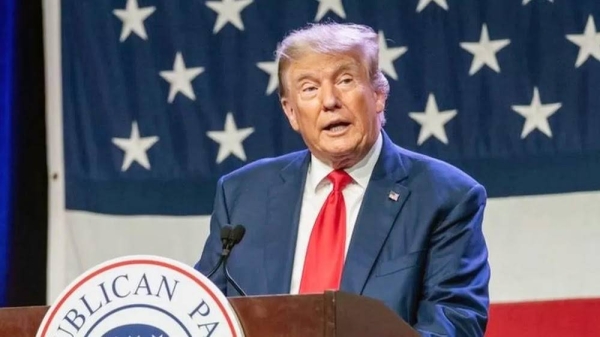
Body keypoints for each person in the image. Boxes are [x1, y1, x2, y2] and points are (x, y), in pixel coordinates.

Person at [195, 22, 490, 336]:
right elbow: (203, 311)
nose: (329, 101)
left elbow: (454, 324)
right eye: (309, 88)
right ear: (291, 112)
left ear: (378, 95)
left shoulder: (445, 197)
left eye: (345, 80)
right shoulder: (241, 194)